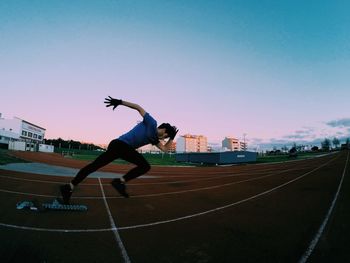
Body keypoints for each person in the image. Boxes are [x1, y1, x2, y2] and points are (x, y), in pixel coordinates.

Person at [60, 96, 178, 204]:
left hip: (122, 149)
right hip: (119, 145)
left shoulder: (154, 139)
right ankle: (119, 182)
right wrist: (120, 102)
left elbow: (164, 149)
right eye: (166, 135)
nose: (164, 138)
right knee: (142, 166)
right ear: (163, 129)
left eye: (166, 137)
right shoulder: (152, 123)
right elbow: (138, 107)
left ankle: (69, 187)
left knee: (96, 166)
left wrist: (172, 138)